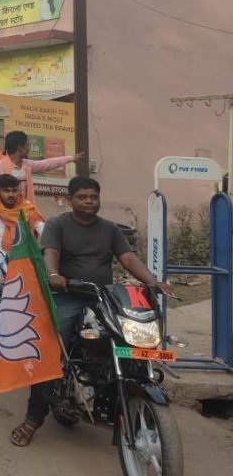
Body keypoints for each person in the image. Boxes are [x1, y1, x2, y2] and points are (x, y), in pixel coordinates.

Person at [9, 176, 174, 447]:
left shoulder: (109, 229)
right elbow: (51, 253)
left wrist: (152, 282)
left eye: (93, 197)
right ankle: (32, 419)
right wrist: (54, 274)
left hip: (103, 298)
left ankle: (126, 394)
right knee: (51, 353)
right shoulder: (57, 225)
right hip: (68, 295)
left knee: (130, 340)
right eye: (82, 197)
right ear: (70, 200)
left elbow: (127, 257)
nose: (89, 202)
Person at [0, 173, 45, 346]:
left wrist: (50, 245)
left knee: (36, 303)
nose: (11, 194)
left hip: (22, 263)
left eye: (14, 190)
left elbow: (44, 230)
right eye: (6, 191)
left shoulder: (28, 209)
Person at [0, 130, 85, 200]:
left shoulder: (26, 165)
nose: (29, 149)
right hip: (1, 213)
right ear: (20, 148)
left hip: (22, 212)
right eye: (28, 146)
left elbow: (46, 164)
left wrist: (71, 158)